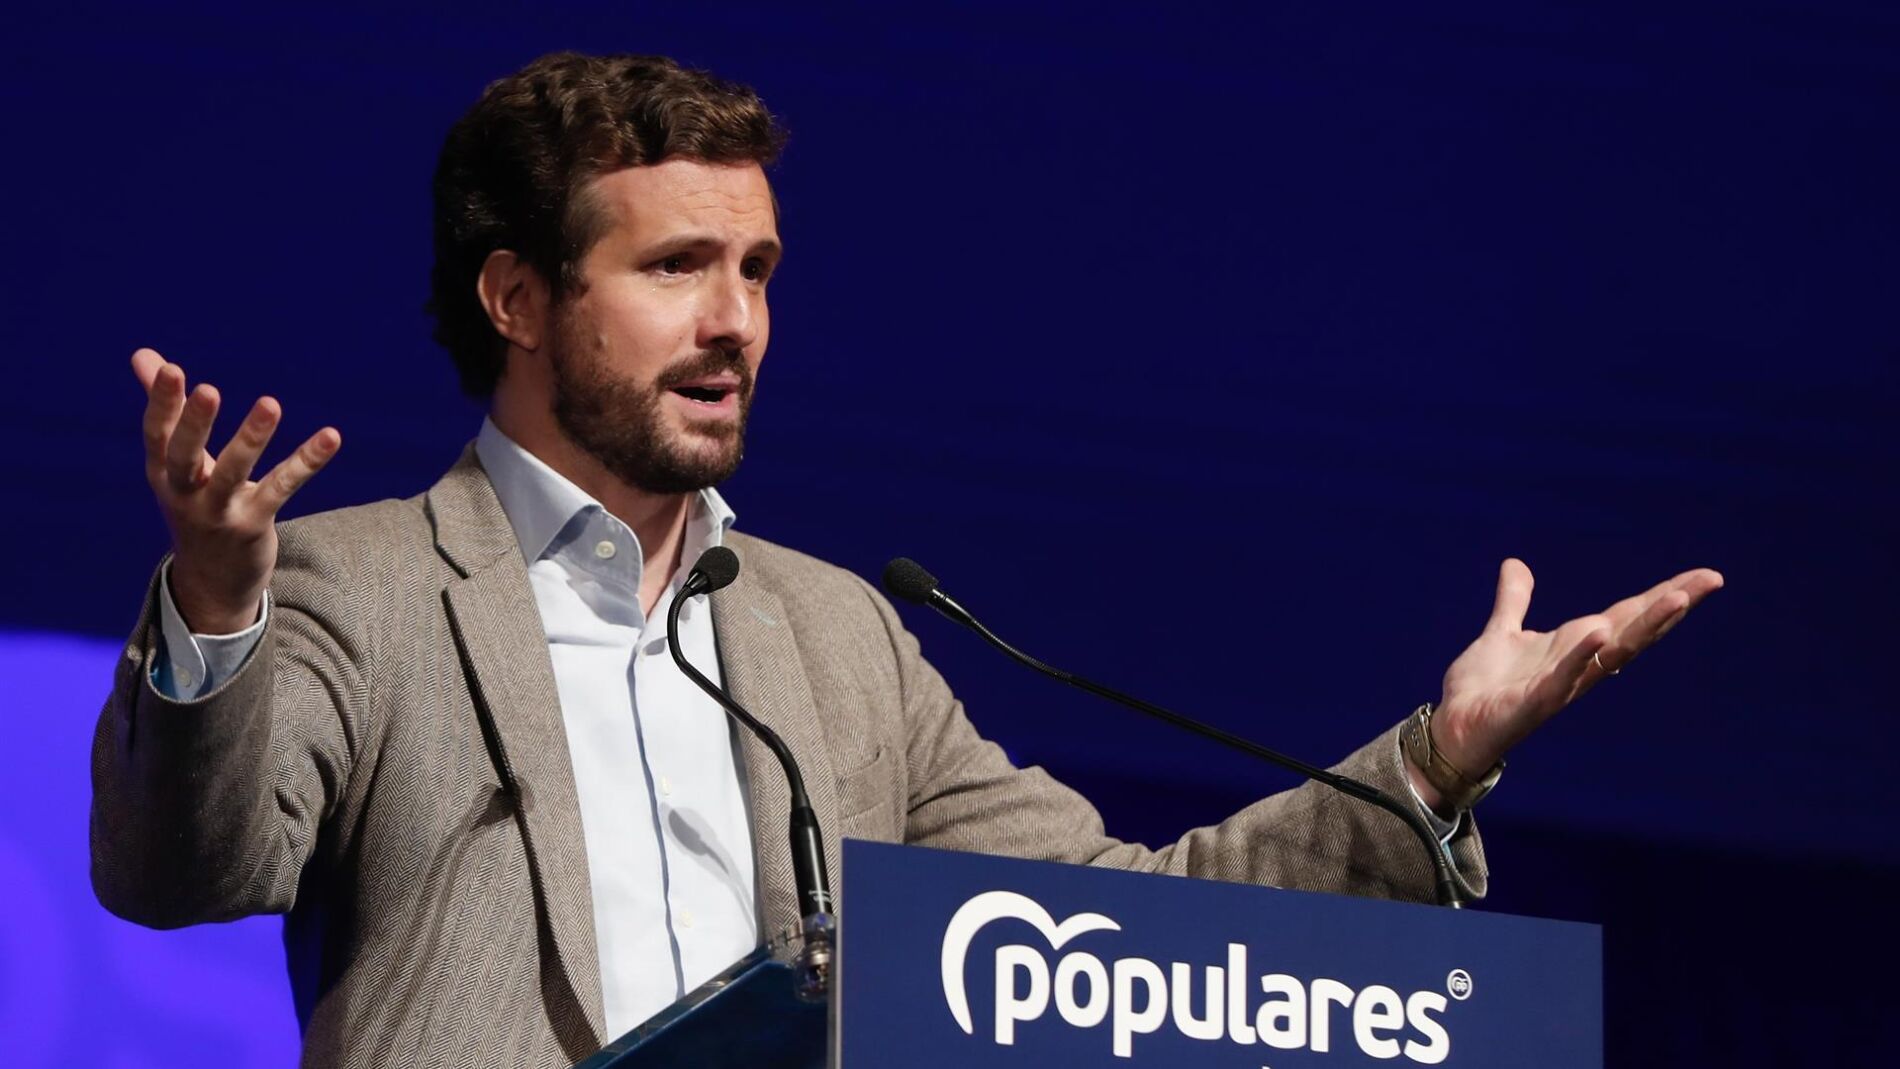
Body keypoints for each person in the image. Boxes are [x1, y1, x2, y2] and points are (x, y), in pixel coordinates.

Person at [91, 51, 1722, 1069]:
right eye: (676, 266)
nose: (736, 322)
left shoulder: (837, 634)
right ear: (517, 298)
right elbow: (179, 872)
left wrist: (1433, 762)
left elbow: (1112, 934)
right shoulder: (362, 584)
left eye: (757, 269)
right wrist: (219, 605)